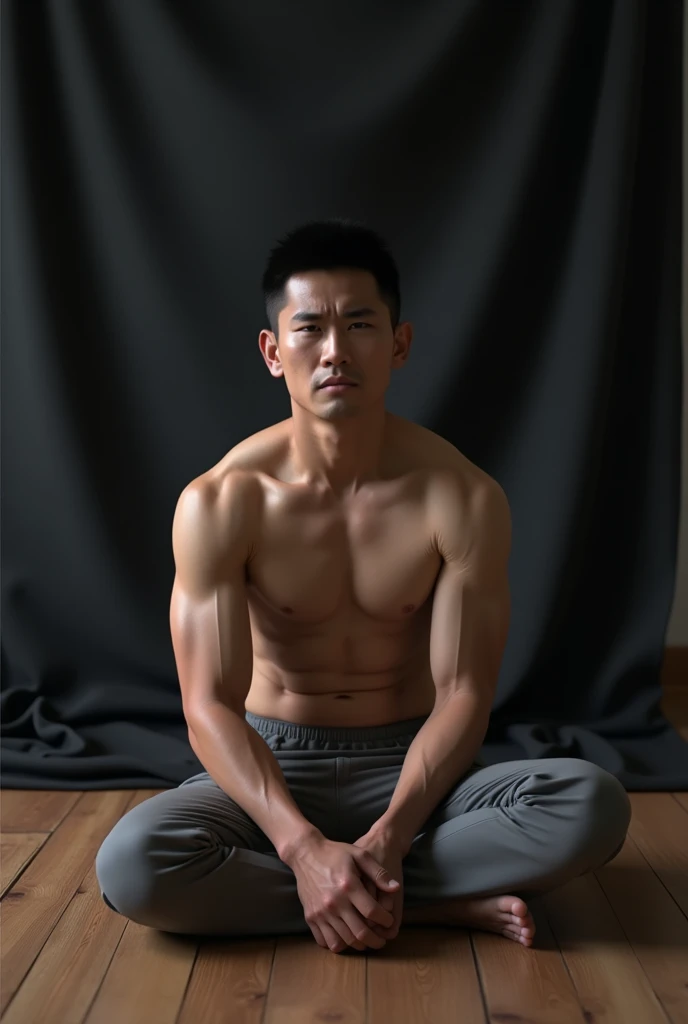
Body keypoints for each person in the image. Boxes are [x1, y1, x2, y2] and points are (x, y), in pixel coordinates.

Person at [95, 218, 631, 953]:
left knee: (591, 805)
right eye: (310, 328)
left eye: (360, 324)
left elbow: (465, 695)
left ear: (399, 343)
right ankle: (430, 903)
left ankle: (363, 886)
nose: (336, 350)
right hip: (270, 771)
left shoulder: (461, 498)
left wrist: (389, 837)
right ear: (273, 351)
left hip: (413, 771)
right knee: (132, 865)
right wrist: (301, 847)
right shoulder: (223, 502)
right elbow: (208, 705)